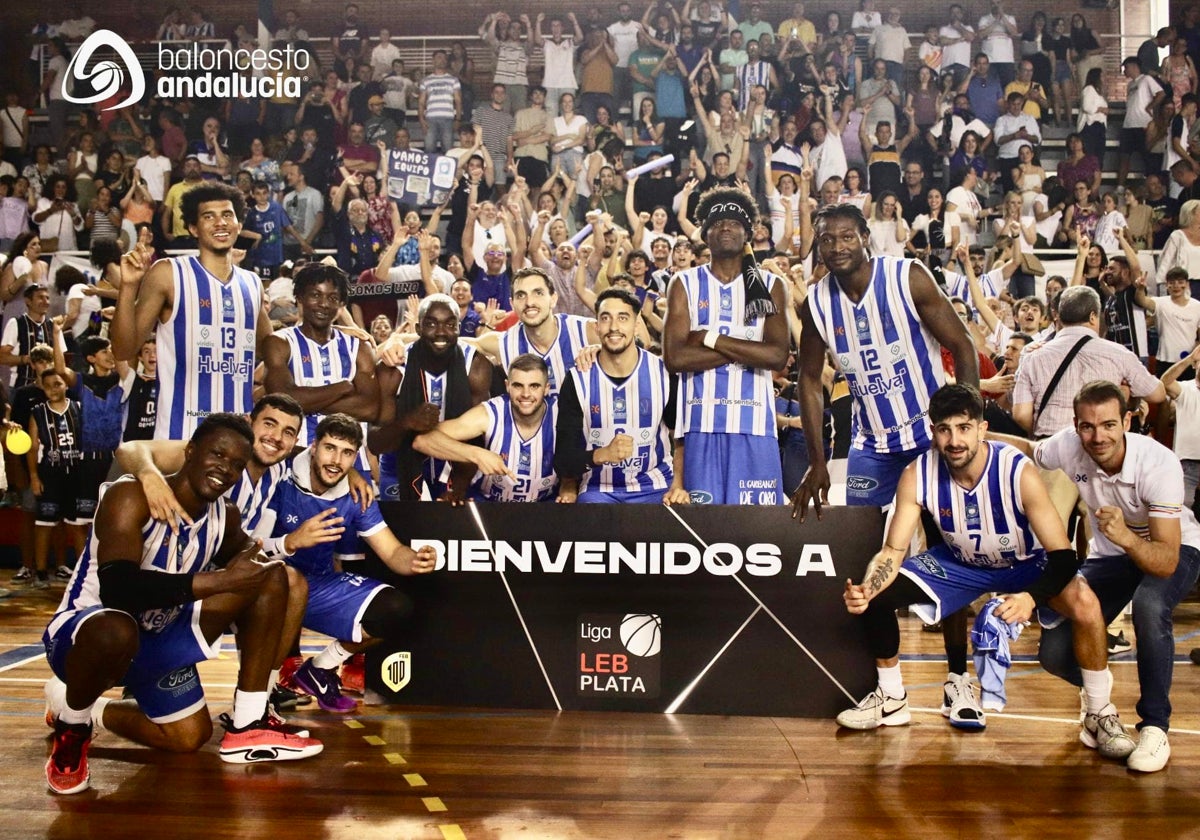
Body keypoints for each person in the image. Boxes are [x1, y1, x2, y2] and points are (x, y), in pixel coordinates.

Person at [836, 384, 1131, 748]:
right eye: (944, 430)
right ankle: (892, 698)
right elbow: (894, 549)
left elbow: (1062, 557)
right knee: (878, 597)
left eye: (963, 428)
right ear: (933, 432)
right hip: (960, 563)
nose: (954, 440)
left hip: (1025, 563)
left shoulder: (1016, 470)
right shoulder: (918, 473)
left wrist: (1029, 598)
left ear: (981, 428)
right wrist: (869, 586)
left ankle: (1100, 712)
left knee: (1086, 603)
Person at [42, 414, 323, 795]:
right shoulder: (130, 496)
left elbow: (256, 567)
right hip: (86, 635)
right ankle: (73, 728)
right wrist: (218, 581)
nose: (226, 469)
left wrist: (283, 555)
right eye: (218, 455)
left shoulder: (225, 517)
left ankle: (248, 721)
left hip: (154, 641)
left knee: (188, 736)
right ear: (190, 452)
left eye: (237, 464)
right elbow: (118, 589)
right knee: (116, 628)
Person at [1002, 381, 1200, 773]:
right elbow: (1029, 449)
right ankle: (1099, 707)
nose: (1098, 436)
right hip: (1109, 557)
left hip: (1176, 551)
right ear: (1076, 426)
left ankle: (1155, 726)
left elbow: (1163, 561)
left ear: (1127, 421)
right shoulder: (1068, 446)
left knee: (1148, 605)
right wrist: (976, 432)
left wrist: (1126, 535)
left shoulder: (1157, 464)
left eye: (1109, 424)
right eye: (1088, 426)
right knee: (1054, 653)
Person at [795, 204, 977, 513]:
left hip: (930, 435)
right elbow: (809, 379)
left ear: (865, 238)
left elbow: (963, 345)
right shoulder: (816, 303)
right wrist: (817, 461)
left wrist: (964, 423)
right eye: (826, 239)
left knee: (945, 533)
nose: (837, 247)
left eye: (847, 237)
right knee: (864, 541)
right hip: (871, 445)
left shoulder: (907, 277)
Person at [271, 413, 438, 713]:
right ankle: (257, 701)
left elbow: (391, 552)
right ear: (313, 447)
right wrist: (291, 541)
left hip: (319, 585)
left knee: (395, 609)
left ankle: (320, 669)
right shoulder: (279, 478)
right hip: (268, 585)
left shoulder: (356, 494)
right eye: (330, 448)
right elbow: (250, 548)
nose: (336, 460)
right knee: (282, 583)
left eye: (347, 453)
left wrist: (416, 560)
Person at [111, 183, 271, 440]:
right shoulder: (169, 273)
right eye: (209, 216)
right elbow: (123, 349)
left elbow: (270, 353)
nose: (220, 223)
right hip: (180, 438)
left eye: (227, 215)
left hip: (238, 440)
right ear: (193, 228)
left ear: (239, 224)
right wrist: (128, 287)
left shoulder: (252, 283)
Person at [663, 187, 788, 505]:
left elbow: (775, 355)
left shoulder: (771, 285)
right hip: (700, 425)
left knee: (758, 530)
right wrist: (748, 348)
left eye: (734, 221)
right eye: (717, 222)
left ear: (748, 232)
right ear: (704, 234)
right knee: (704, 532)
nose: (726, 227)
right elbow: (676, 357)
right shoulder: (684, 283)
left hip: (755, 425)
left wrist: (708, 337)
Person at [556, 288, 688, 505]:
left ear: (637, 325)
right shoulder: (577, 379)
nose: (614, 327)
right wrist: (602, 454)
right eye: (606, 318)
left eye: (623, 318)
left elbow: (682, 436)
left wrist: (679, 485)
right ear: (596, 327)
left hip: (656, 486)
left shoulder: (663, 373)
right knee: (588, 516)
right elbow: (563, 460)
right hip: (600, 490)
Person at [370, 294, 494, 501]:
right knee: (403, 528)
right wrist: (407, 422)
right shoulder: (394, 368)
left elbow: (478, 437)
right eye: (431, 324)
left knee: (457, 525)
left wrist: (459, 487)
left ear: (458, 328)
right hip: (400, 460)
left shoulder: (475, 366)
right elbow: (376, 443)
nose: (441, 332)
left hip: (456, 460)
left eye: (449, 324)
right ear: (418, 329)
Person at [1010, 286, 1164, 439]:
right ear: (1092, 317)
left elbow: (1021, 415)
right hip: (1098, 445)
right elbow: (1157, 394)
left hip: (1049, 445)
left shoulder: (1032, 356)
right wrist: (1128, 393)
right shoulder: (1119, 353)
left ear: (1060, 316)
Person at [262, 263, 379, 458]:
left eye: (333, 298)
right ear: (299, 297)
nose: (324, 304)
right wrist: (341, 388)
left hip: (352, 464)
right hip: (295, 457)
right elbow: (281, 401)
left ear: (342, 304)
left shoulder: (359, 347)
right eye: (315, 295)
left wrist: (304, 401)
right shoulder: (280, 342)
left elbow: (369, 409)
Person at [413, 352, 559, 502]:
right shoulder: (490, 413)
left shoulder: (560, 415)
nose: (526, 394)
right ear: (507, 386)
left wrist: (569, 486)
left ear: (546, 388)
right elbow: (422, 441)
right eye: (518, 386)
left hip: (545, 505)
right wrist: (476, 454)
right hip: (488, 503)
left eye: (534, 386)